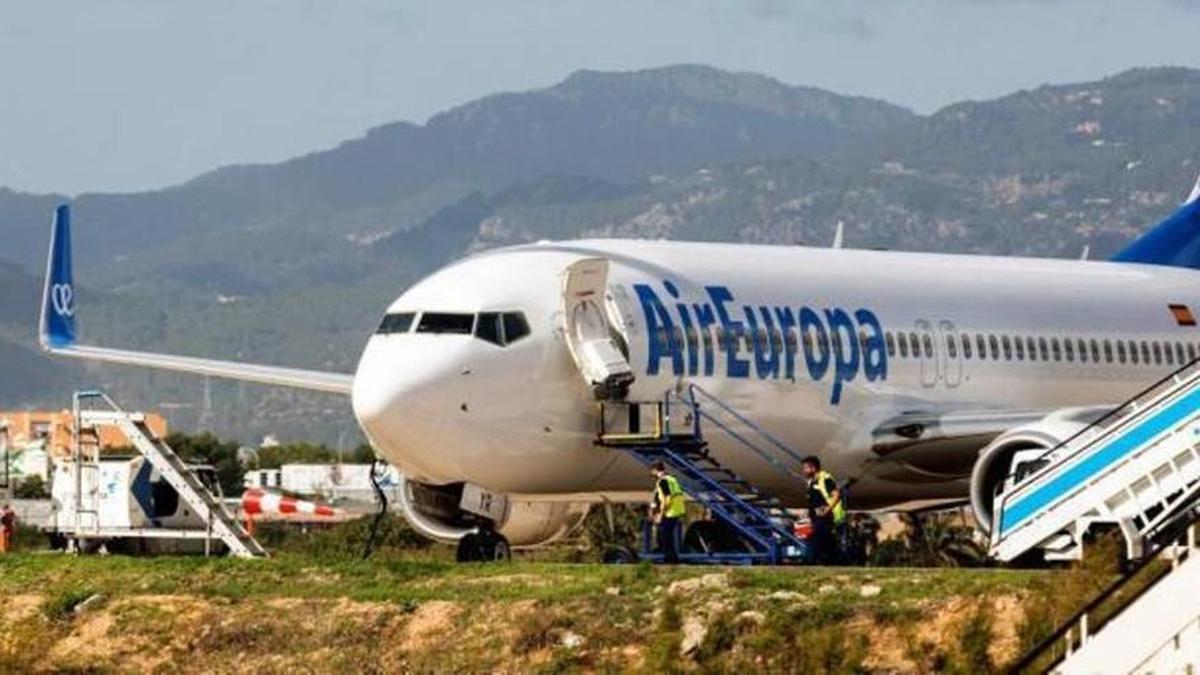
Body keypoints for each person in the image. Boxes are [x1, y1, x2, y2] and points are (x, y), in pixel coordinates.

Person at [801, 456, 846, 564]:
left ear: (813, 468)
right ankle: (837, 562)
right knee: (828, 545)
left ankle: (807, 563)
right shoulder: (812, 481)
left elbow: (836, 495)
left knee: (813, 541)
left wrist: (827, 509)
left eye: (806, 468)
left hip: (824, 518)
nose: (804, 471)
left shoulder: (825, 479)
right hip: (815, 518)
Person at [649, 461, 685, 564]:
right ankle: (672, 558)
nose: (652, 473)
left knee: (664, 536)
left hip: (669, 511)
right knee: (668, 535)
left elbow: (667, 498)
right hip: (676, 509)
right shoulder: (672, 479)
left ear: (656, 470)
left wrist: (661, 513)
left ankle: (669, 559)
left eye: (652, 471)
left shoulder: (663, 481)